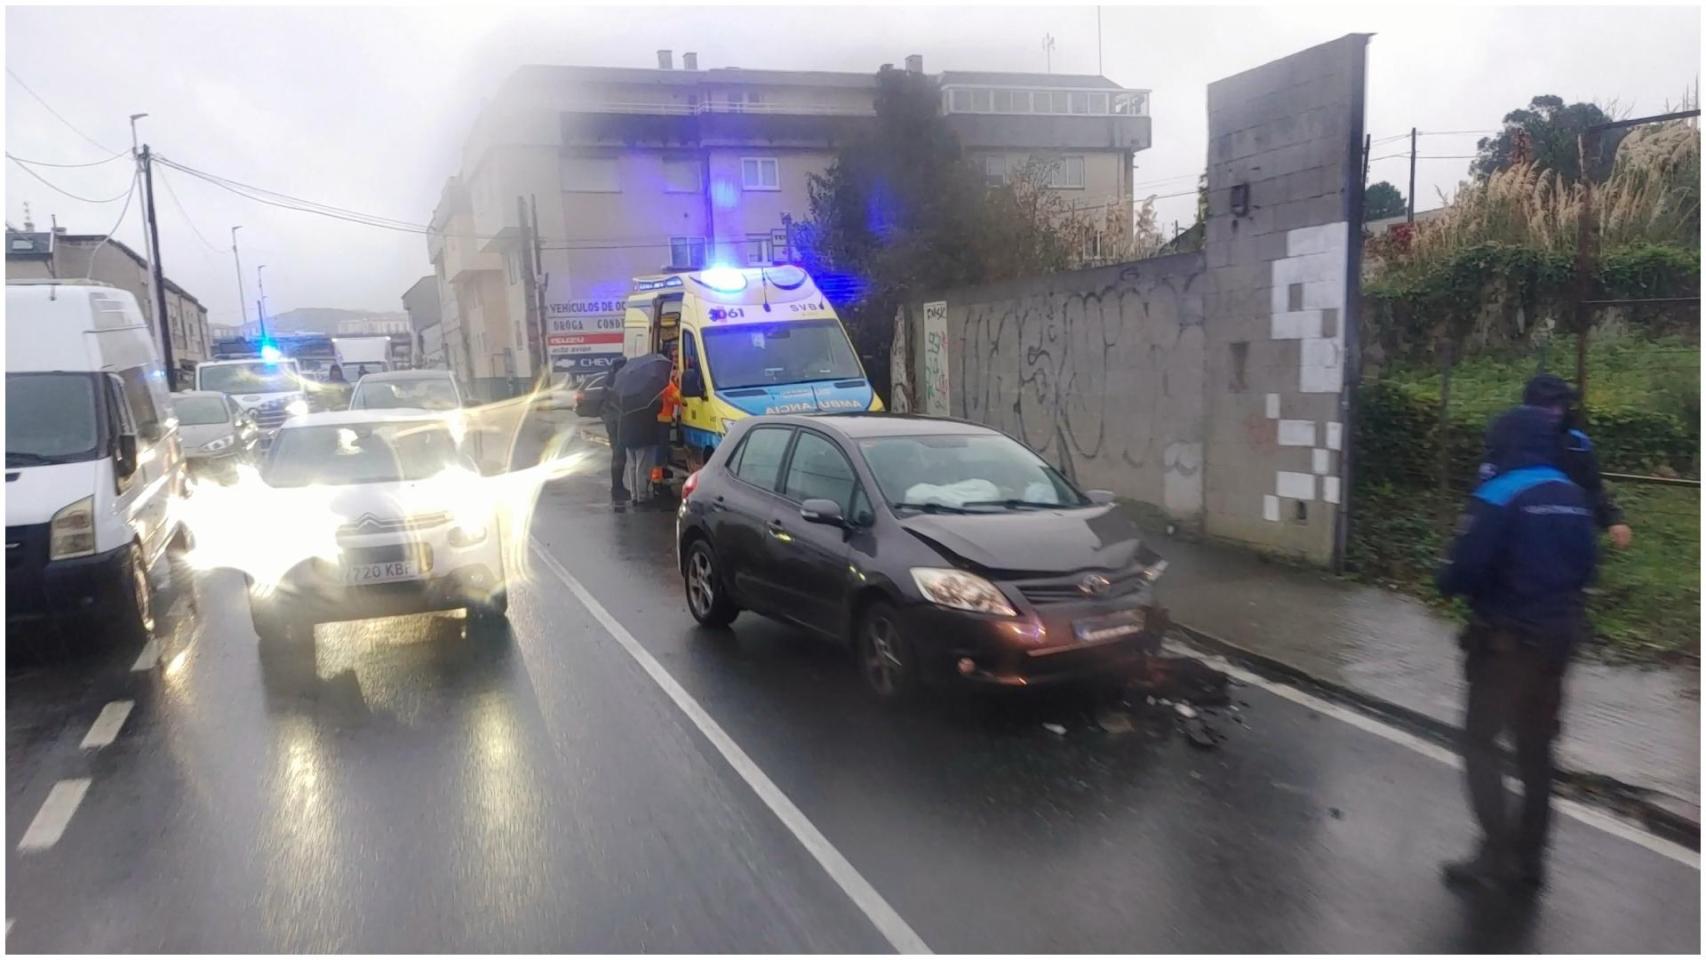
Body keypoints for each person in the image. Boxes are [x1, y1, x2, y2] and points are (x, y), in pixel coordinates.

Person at [1437, 403, 1598, 893]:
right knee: (1536, 751)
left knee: (1481, 742)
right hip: (1558, 642)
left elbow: (1460, 572)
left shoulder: (1498, 492)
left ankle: (1496, 854)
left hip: (1505, 646)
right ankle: (1531, 861)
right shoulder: (1571, 494)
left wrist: (1448, 578)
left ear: (1503, 442)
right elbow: (1588, 569)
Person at [1490, 374, 1632, 550]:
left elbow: (1591, 487)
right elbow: (1490, 486)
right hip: (1516, 532)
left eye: (1560, 404)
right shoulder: (1507, 440)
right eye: (1547, 405)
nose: (1556, 411)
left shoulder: (1577, 444)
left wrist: (1612, 520)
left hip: (1567, 532)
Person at [602, 356, 630, 509]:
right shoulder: (615, 383)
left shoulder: (610, 380)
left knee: (618, 455)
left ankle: (618, 486)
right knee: (619, 455)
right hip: (615, 423)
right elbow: (617, 404)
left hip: (612, 422)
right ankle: (617, 487)